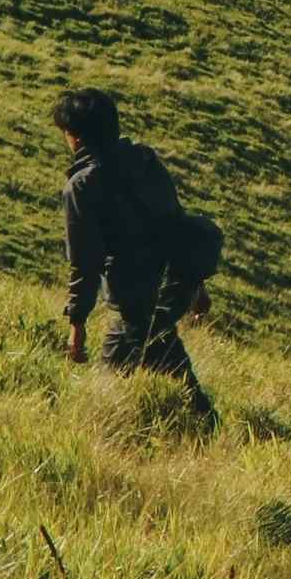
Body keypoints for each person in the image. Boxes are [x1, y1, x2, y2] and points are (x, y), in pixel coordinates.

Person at [53, 87, 217, 423]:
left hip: (135, 292)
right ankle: (205, 424)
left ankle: (101, 430)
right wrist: (196, 285)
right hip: (174, 279)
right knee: (161, 347)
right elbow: (174, 220)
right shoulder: (144, 159)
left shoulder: (81, 187)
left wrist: (77, 324)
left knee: (112, 378)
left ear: (75, 137)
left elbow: (85, 261)